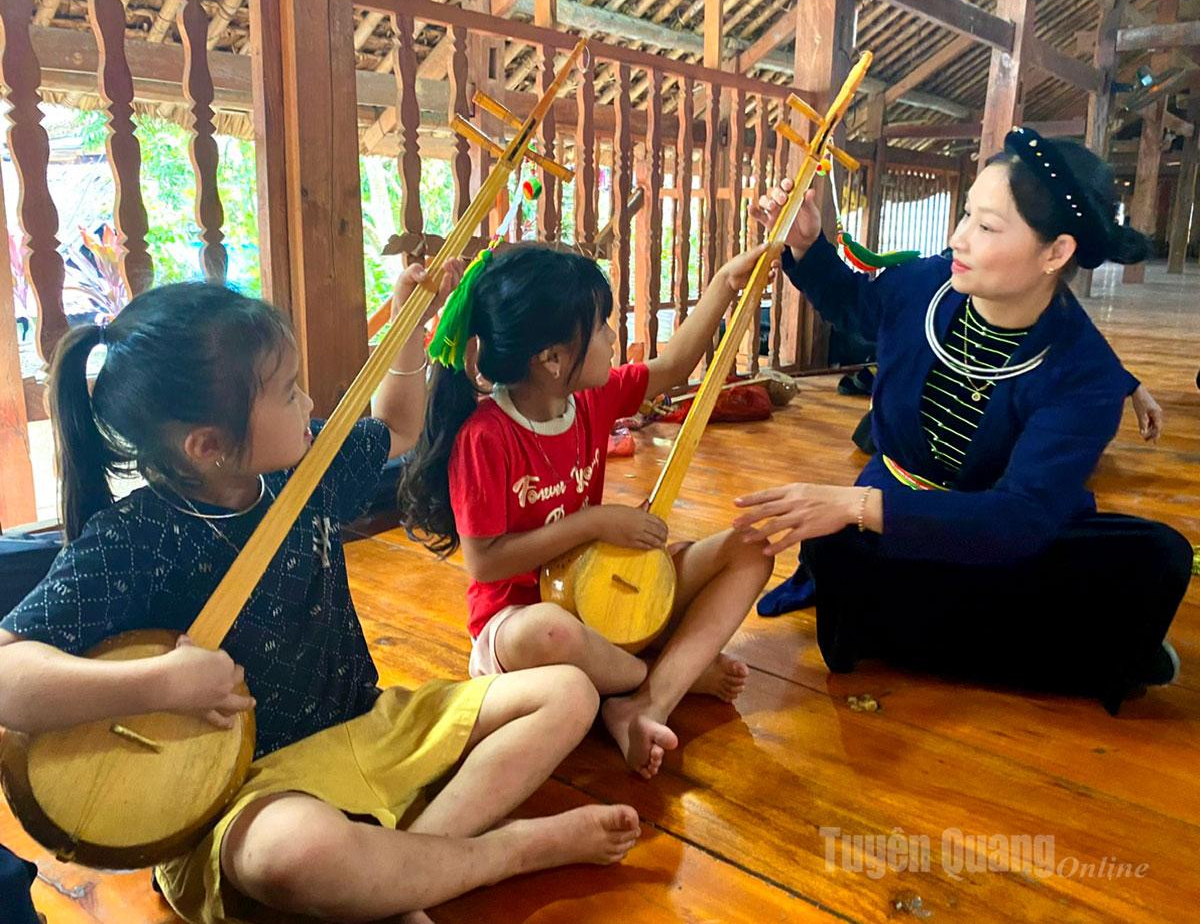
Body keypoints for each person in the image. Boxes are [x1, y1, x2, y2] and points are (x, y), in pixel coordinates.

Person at [0, 267, 640, 924]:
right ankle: (504, 851)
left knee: (568, 691)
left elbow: (394, 424)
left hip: (372, 725)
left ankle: (405, 871)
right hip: (252, 795)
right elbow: (8, 673)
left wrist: (406, 326)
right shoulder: (137, 539)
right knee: (296, 855)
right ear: (209, 446)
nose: (308, 404)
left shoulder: (303, 476)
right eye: (286, 393)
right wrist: (160, 685)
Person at [739, 127, 1191, 713]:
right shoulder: (929, 284)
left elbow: (1020, 518)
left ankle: (901, 629)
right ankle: (1059, 649)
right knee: (841, 552)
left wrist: (853, 506)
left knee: (1158, 556)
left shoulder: (1085, 377)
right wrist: (807, 246)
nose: (958, 238)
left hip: (1000, 535)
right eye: (966, 216)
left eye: (986, 226)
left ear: (1056, 253)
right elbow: (855, 304)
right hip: (898, 524)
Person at [399, 243, 775, 779]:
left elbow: (672, 366)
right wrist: (596, 522)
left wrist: (725, 283)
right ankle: (667, 678)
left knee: (752, 549)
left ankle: (644, 703)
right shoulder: (486, 436)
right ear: (552, 359)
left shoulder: (592, 401)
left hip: (607, 597)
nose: (611, 337)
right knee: (554, 631)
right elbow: (485, 564)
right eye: (601, 326)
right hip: (523, 626)